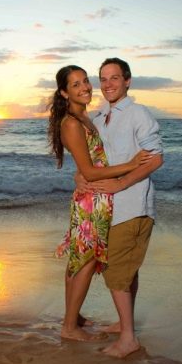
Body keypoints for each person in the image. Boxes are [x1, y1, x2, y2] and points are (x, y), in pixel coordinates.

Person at [48, 65, 153, 342]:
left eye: (85, 81)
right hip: (91, 199)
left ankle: (73, 317)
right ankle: (70, 327)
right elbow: (90, 170)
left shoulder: (88, 117)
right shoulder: (72, 123)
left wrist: (79, 174)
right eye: (75, 84)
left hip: (96, 197)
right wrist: (130, 165)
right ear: (64, 92)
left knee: (79, 258)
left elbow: (86, 165)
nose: (84, 87)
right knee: (85, 260)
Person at [78, 57, 164, 358]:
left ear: (127, 81)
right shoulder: (100, 117)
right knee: (127, 271)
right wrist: (81, 176)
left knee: (115, 270)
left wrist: (121, 183)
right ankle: (124, 324)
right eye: (103, 79)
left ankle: (129, 339)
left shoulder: (138, 114)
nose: (108, 84)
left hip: (133, 206)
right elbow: (94, 161)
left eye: (114, 78)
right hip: (108, 208)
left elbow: (156, 158)